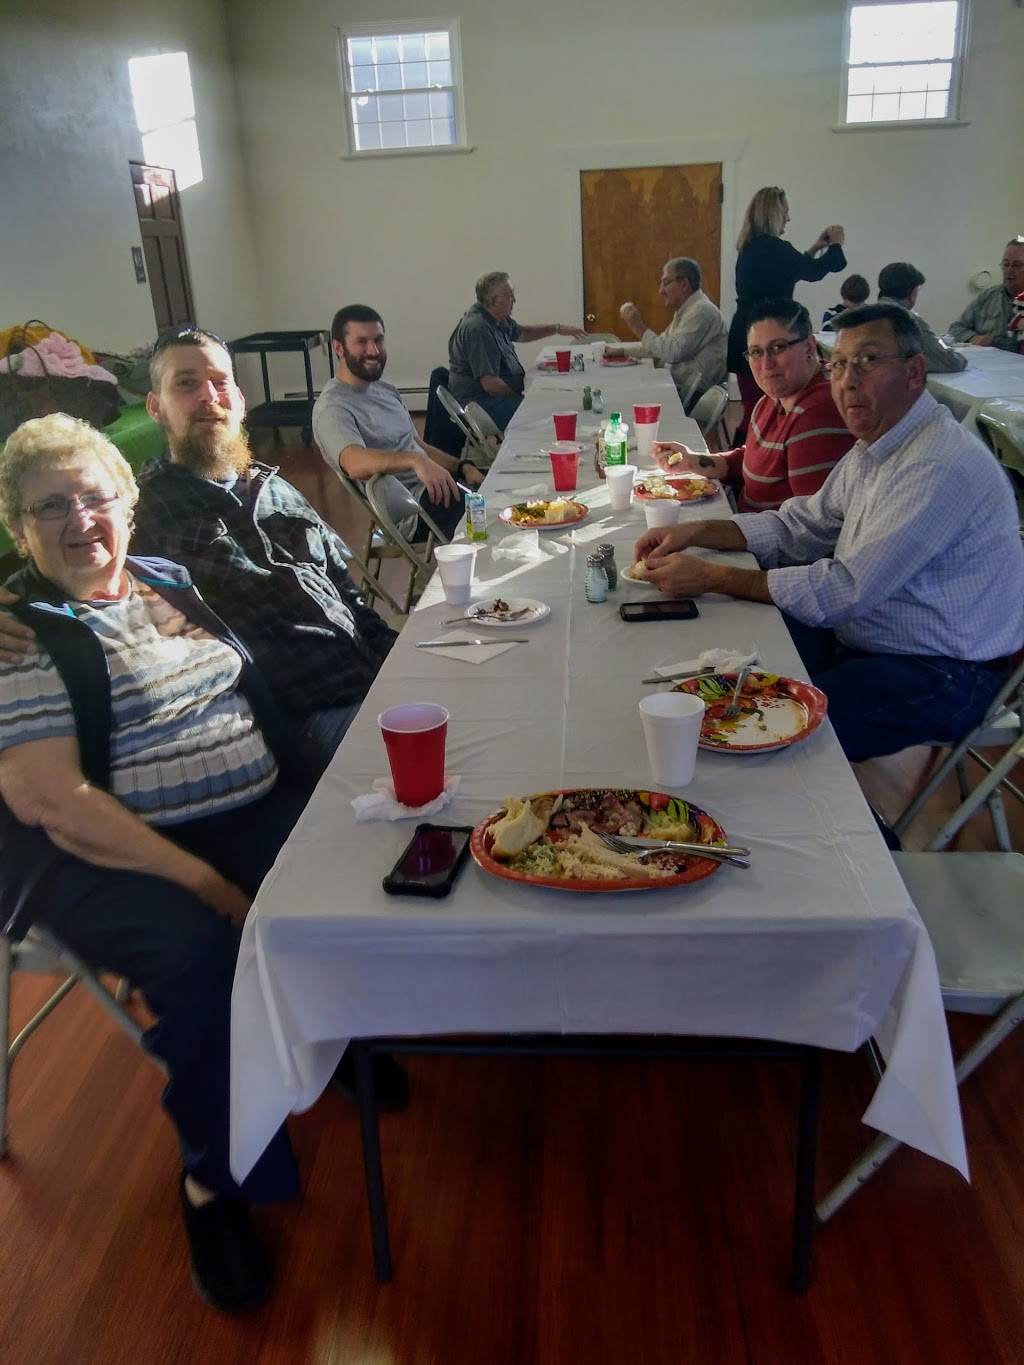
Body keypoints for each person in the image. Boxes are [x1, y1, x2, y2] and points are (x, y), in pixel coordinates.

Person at [0, 413, 316, 1313]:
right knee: (201, 952)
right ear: (19, 531)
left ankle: (336, 1041)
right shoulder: (20, 637)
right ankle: (211, 1185)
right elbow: (56, 802)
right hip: (98, 852)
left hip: (232, 811)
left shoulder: (162, 578)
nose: (78, 519)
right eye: (48, 507)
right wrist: (207, 884)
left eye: (93, 496)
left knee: (343, 871)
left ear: (126, 506)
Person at [632, 304, 1024, 763]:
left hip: (946, 670)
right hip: (866, 639)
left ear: (914, 372)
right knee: (726, 665)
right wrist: (695, 531)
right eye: (839, 364)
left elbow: (845, 589)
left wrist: (713, 576)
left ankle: (841, 819)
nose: (848, 380)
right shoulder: (878, 446)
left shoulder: (936, 465)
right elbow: (800, 524)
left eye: (868, 360)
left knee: (766, 732)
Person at [0, 329, 400, 775]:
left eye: (219, 382)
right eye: (186, 384)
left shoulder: (277, 489)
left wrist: (402, 662)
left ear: (240, 401)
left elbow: (350, 598)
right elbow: (67, 569)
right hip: (301, 723)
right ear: (156, 407)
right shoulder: (142, 513)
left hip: (373, 681)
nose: (208, 396)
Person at [650, 300, 850, 512]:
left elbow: (807, 523)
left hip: (763, 532)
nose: (766, 364)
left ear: (809, 347)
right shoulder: (772, 399)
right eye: (756, 352)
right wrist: (691, 461)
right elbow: (752, 462)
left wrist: (717, 528)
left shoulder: (816, 413)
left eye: (778, 347)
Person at [314, 304, 483, 540]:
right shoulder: (333, 408)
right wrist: (414, 461)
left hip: (439, 489)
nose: (373, 350)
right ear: (339, 348)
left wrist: (463, 466)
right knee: (499, 514)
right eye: (362, 342)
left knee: (505, 488)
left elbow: (418, 445)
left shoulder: (386, 391)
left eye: (379, 340)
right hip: (414, 511)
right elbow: (353, 462)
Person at [728, 186, 847, 433]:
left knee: (754, 407)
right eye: (785, 212)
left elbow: (794, 268)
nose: (788, 218)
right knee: (761, 411)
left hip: (746, 331)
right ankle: (749, 453)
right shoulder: (772, 247)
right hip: (764, 333)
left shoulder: (753, 246)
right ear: (773, 213)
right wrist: (836, 245)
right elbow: (812, 272)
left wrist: (815, 248)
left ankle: (748, 452)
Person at [447, 272, 587, 429]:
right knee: (547, 412)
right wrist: (525, 397)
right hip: (481, 404)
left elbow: (523, 333)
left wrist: (557, 329)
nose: (514, 300)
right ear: (495, 300)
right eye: (510, 295)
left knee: (551, 400)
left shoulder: (497, 317)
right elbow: (491, 385)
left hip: (493, 397)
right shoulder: (479, 329)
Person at [617, 256, 728, 410]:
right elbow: (660, 346)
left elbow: (672, 352)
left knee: (626, 401)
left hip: (692, 397)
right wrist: (620, 351)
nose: (661, 290)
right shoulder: (688, 309)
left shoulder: (701, 311)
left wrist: (638, 327)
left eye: (666, 283)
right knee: (626, 388)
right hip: (680, 388)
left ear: (684, 284)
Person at [877, 262, 966, 374]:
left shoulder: (869, 314)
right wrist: (961, 357)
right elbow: (950, 362)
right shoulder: (909, 321)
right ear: (912, 293)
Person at [947, 237, 1024, 349]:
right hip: (984, 358)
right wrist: (973, 338)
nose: (1009, 270)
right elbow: (955, 328)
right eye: (1006, 264)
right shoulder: (988, 296)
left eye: (1016, 265)